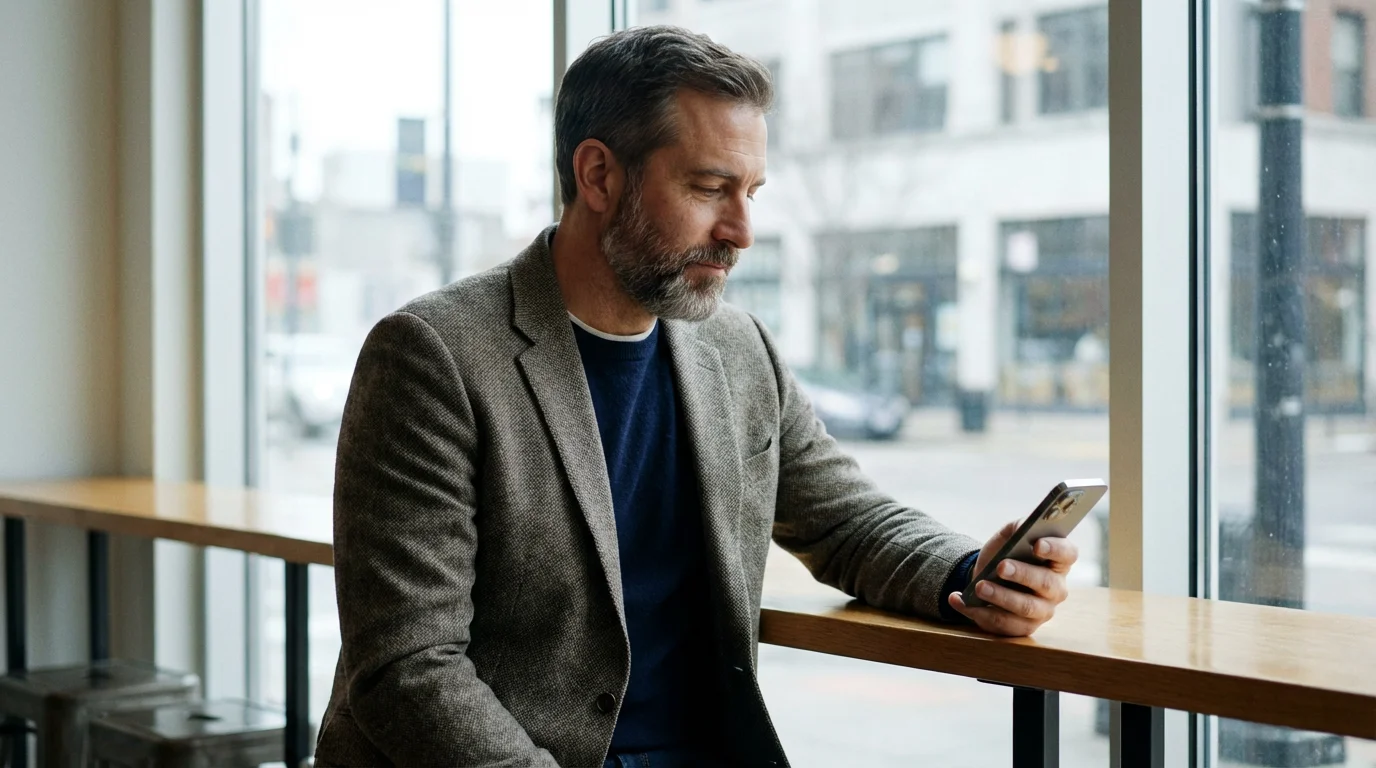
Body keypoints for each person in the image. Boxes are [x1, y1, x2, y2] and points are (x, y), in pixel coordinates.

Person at [314, 25, 1078, 768]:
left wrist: (971, 577)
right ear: (599, 176)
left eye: (751, 191)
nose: (742, 230)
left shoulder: (736, 349)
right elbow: (409, 667)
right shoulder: (433, 354)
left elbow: (846, 521)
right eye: (710, 188)